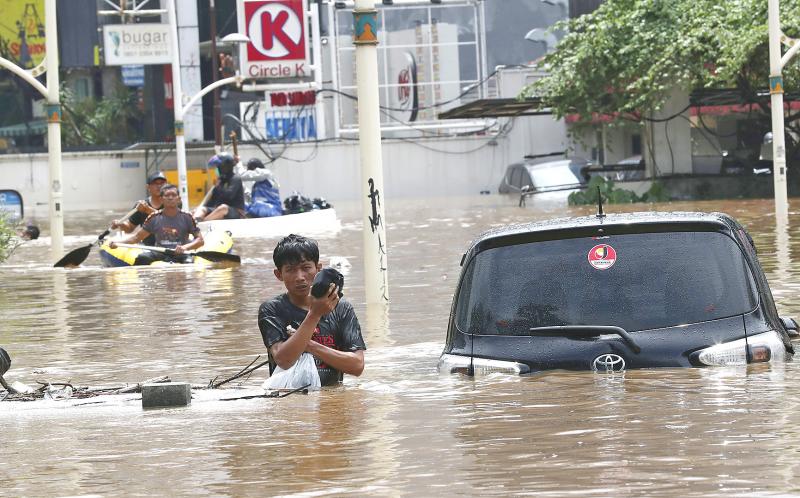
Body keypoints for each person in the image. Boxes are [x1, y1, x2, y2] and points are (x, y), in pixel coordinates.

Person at [258, 234, 365, 386]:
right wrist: (314, 314)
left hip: (331, 398)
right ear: (279, 274)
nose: (300, 277)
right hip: (290, 399)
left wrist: (309, 345)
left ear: (318, 269)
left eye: (306, 268)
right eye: (290, 270)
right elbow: (284, 360)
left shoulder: (341, 308)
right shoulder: (272, 309)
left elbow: (357, 366)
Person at [109, 183, 204, 265]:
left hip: (181, 254)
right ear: (162, 199)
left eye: (173, 195)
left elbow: (200, 240)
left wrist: (185, 247)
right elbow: (136, 238)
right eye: (167, 195)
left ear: (178, 199)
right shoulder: (154, 218)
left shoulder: (188, 217)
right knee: (142, 258)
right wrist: (118, 244)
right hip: (160, 253)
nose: (170, 198)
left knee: (189, 263)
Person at [111, 171, 167, 246]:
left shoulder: (174, 202)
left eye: (162, 183)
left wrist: (147, 209)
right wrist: (121, 224)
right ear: (148, 187)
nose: (159, 186)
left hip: (169, 244)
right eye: (155, 183)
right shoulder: (141, 205)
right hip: (148, 246)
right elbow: (130, 228)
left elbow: (169, 221)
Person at [192, 153, 245, 222]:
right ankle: (194, 223)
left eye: (219, 166)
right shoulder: (221, 181)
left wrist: (218, 186)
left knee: (223, 208)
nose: (218, 169)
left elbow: (229, 196)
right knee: (200, 209)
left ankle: (202, 224)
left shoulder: (235, 179)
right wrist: (203, 209)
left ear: (226, 166)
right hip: (218, 210)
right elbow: (212, 200)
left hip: (236, 212)